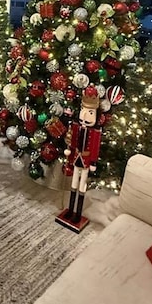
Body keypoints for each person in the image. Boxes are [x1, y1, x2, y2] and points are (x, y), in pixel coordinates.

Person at [57, 87, 102, 228]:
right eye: (84, 111)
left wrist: (93, 161)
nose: (86, 116)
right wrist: (69, 150)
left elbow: (94, 148)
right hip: (76, 158)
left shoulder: (95, 133)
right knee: (73, 184)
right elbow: (73, 141)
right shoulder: (76, 127)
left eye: (90, 112)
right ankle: (70, 210)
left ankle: (78, 212)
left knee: (82, 185)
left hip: (87, 161)